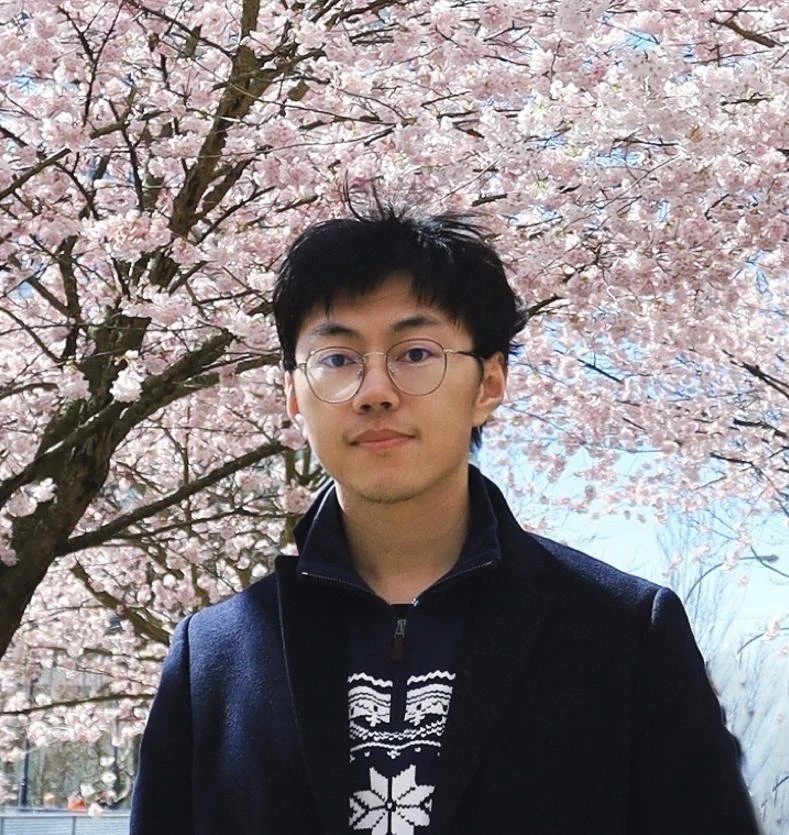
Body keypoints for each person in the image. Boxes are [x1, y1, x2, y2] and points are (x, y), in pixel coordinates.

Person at [130, 194, 761, 835]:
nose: (375, 392)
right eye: (338, 359)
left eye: (416, 354)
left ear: (489, 383)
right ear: (294, 392)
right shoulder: (211, 658)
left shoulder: (624, 633)